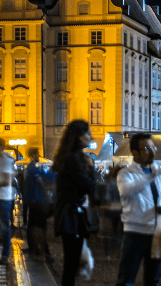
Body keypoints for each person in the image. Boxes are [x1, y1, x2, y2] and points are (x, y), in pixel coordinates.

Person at [53, 119, 97, 286]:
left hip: (68, 213)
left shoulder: (70, 157)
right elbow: (88, 186)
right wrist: (91, 169)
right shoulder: (76, 159)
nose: (91, 136)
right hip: (71, 215)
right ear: (79, 137)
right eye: (88, 133)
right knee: (71, 265)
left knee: (71, 264)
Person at [115, 133, 161, 286]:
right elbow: (126, 191)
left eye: (152, 147)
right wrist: (150, 176)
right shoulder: (125, 174)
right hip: (135, 234)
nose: (152, 151)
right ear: (135, 153)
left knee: (153, 280)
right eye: (146, 148)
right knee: (126, 280)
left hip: (156, 234)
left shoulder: (157, 173)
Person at [23, 147, 55, 261]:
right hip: (36, 201)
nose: (39, 156)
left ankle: (34, 250)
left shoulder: (30, 168)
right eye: (37, 154)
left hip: (32, 200)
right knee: (40, 227)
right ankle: (42, 252)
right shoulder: (32, 168)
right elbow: (40, 183)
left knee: (33, 226)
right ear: (33, 155)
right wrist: (47, 196)